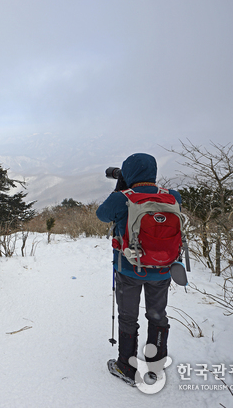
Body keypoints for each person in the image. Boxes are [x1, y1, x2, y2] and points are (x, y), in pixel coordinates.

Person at [96, 153, 182, 386]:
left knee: (128, 316)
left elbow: (102, 215)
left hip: (129, 269)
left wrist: (120, 187)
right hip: (163, 269)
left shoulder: (123, 197)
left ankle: (126, 366)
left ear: (128, 172)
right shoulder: (172, 196)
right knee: (157, 315)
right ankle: (155, 365)